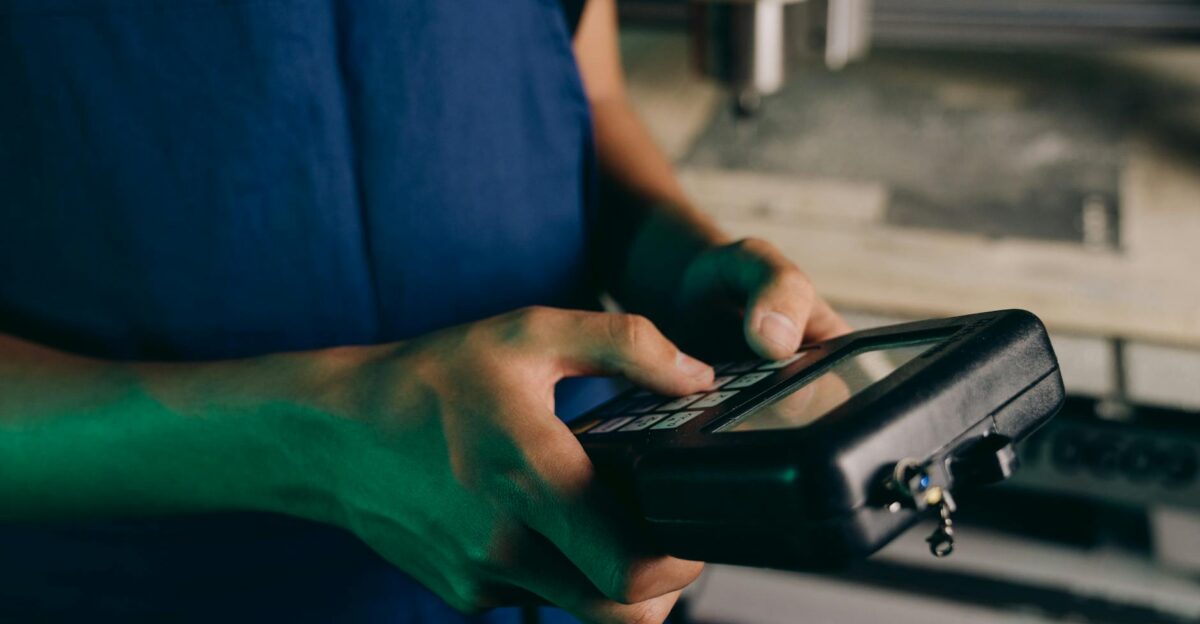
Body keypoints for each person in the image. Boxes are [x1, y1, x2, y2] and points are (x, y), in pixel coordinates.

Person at [0, 0, 849, 621]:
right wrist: (316, 432)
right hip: (164, 589)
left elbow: (584, 97)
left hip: (570, 553)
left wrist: (678, 258)